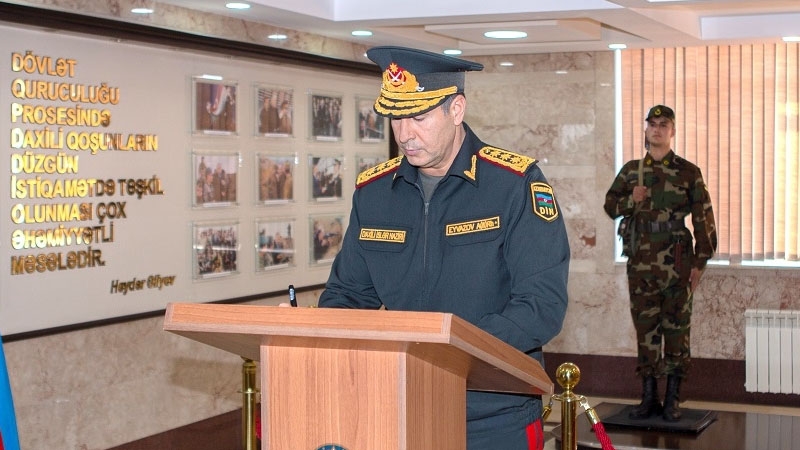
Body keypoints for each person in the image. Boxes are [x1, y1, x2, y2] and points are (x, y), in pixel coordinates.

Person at [317, 46, 570, 450]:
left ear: (456, 109)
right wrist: (312, 334)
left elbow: (541, 306)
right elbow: (346, 295)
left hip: (492, 415)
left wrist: (449, 352)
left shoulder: (514, 184)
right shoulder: (374, 192)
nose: (404, 134)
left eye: (418, 117)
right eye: (396, 117)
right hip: (400, 403)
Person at [603, 105, 717, 422]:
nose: (656, 129)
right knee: (646, 330)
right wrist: (632, 200)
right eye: (652, 124)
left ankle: (672, 399)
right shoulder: (632, 171)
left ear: (672, 131)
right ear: (646, 130)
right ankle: (649, 397)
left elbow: (704, 218)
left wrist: (700, 262)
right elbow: (610, 206)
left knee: (677, 330)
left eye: (663, 124)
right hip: (640, 262)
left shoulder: (688, 172)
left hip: (677, 262)